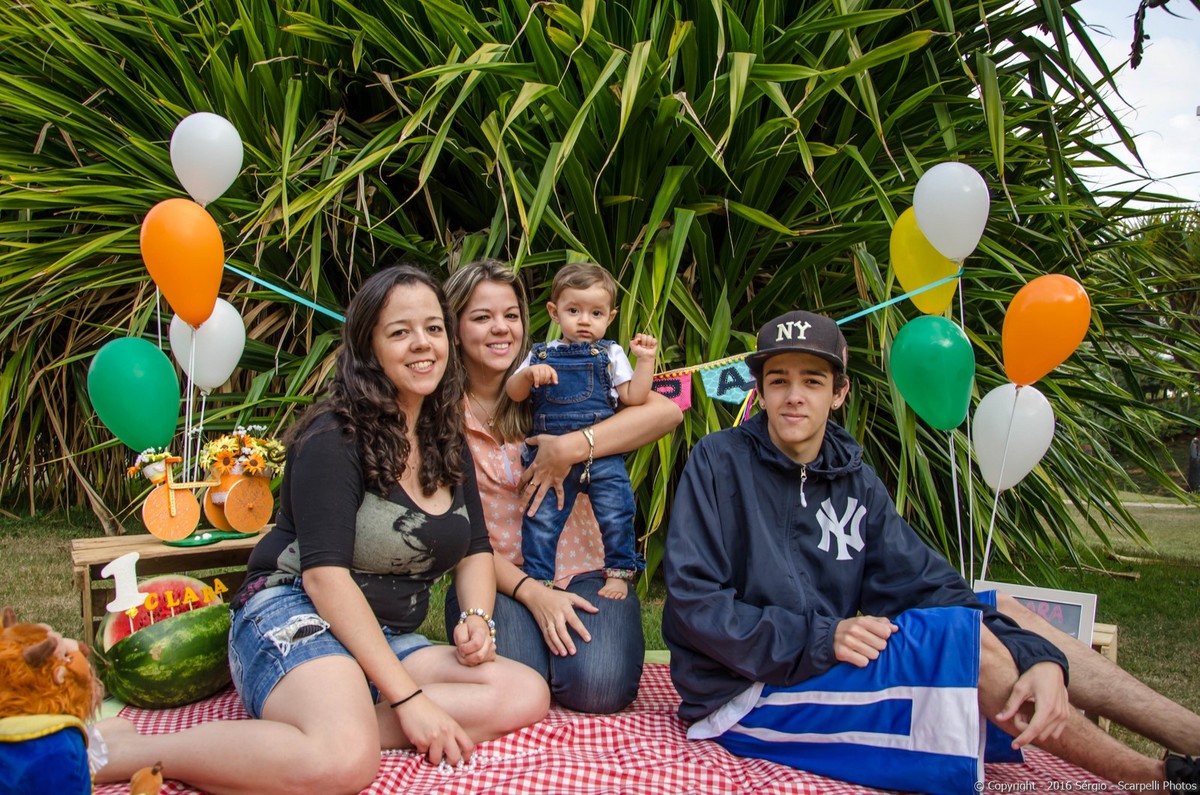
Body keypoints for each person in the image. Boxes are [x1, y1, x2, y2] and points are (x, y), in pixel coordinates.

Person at [662, 309, 1200, 795]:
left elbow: (927, 585)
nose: (794, 396)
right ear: (759, 391)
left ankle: (1192, 736)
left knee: (1008, 614)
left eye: (813, 380)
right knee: (968, 646)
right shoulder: (718, 461)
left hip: (816, 663)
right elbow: (695, 604)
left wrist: (1039, 657)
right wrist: (822, 636)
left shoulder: (853, 478)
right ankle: (1159, 781)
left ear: (839, 393)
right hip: (744, 692)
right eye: (778, 380)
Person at [95, 265, 550, 795]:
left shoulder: (443, 433)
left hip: (382, 635)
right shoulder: (333, 435)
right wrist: (409, 699)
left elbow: (473, 547)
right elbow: (323, 578)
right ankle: (130, 751)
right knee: (344, 765)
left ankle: (333, 725)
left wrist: (475, 617)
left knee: (523, 691)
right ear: (368, 346)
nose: (422, 344)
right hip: (293, 612)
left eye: (432, 328)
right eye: (399, 332)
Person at [442, 260, 682, 713]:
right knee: (518, 679)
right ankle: (538, 647)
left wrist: (569, 447)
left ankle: (570, 653)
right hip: (497, 575)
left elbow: (665, 412)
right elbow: (452, 534)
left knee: (599, 687)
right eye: (481, 317)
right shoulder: (441, 413)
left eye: (511, 315)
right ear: (454, 327)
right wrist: (535, 595)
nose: (501, 328)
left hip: (584, 565)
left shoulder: (563, 373)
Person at [505, 262, 657, 600]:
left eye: (596, 313)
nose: (585, 320)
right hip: (550, 456)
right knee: (541, 517)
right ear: (554, 312)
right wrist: (527, 376)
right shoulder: (541, 354)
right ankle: (539, 578)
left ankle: (618, 572)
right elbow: (514, 393)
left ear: (610, 317)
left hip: (601, 454)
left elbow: (634, 397)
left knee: (617, 512)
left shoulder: (611, 353)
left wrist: (646, 360)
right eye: (574, 310)